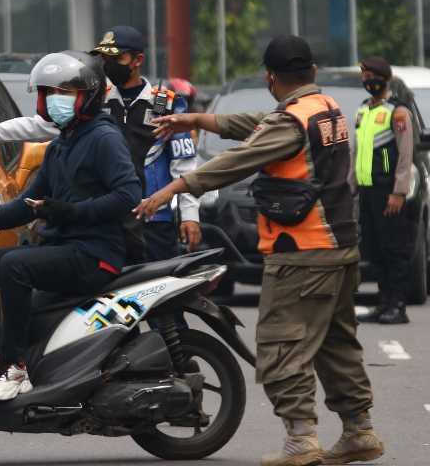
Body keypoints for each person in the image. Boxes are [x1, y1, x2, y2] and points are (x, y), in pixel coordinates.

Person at [134, 35, 383, 466]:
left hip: (303, 252)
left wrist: (174, 188)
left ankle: (301, 440)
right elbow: (258, 123)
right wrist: (197, 120)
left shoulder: (289, 123)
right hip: (341, 249)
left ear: (271, 78)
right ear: (313, 73)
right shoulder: (325, 110)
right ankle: (359, 430)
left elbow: (238, 159)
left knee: (278, 344)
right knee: (336, 344)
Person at [0, 26, 201, 263]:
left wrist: (190, 215)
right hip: (105, 219)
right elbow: (39, 125)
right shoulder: (95, 101)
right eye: (104, 59)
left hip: (153, 216)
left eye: (116, 58)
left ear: (137, 60)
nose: (107, 65)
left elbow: (184, 164)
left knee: (158, 305)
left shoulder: (164, 104)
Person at [0, 51, 140, 402]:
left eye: (64, 92)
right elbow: (29, 203)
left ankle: (14, 367)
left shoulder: (103, 138)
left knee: (14, 266)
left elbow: (128, 195)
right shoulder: (61, 144)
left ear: (88, 95)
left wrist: (69, 212)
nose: (53, 101)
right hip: (62, 247)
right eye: (48, 93)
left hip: (95, 253)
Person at [351, 57, 414, 325]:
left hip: (388, 192)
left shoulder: (397, 112)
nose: (367, 80)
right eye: (364, 75)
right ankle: (383, 302)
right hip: (367, 192)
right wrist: (349, 189)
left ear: (384, 79)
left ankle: (397, 305)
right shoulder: (363, 111)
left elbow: (405, 154)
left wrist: (399, 191)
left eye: (371, 75)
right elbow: (357, 154)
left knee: (393, 250)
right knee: (374, 250)